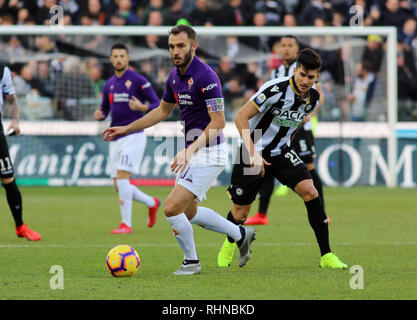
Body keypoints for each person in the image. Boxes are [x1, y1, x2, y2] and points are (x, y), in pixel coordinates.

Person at [102, 25, 255, 275]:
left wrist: (190, 150)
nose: (175, 50)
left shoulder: (207, 76)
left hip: (209, 152)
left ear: (193, 46)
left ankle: (191, 263)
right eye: (172, 46)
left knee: (171, 207)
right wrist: (126, 128)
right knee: (189, 212)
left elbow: (218, 122)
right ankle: (239, 233)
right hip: (192, 151)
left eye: (181, 45)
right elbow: (162, 111)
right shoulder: (174, 77)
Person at [217, 48, 347, 269]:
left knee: (311, 191)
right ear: (295, 70)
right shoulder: (274, 89)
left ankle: (326, 255)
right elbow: (240, 117)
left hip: (281, 152)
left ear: (317, 77)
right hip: (252, 150)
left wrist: (286, 145)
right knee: (241, 212)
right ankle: (230, 243)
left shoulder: (313, 99)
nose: (306, 81)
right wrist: (253, 153)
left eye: (311, 77)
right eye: (303, 74)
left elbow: (293, 126)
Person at [244, 35, 326, 226]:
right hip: (277, 127)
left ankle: (322, 211)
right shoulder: (277, 71)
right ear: (279, 49)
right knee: (268, 168)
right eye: (284, 46)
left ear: (297, 49)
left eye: (290, 45)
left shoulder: (308, 69)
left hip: (300, 127)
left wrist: (308, 115)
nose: (286, 49)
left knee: (310, 168)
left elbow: (318, 96)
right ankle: (262, 214)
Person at [94, 43, 161, 234]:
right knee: (119, 185)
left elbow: (157, 104)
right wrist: (99, 114)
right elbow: (105, 110)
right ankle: (152, 202)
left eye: (122, 56)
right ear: (111, 59)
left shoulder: (138, 80)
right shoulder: (109, 84)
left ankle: (126, 224)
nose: (118, 59)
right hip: (115, 137)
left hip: (133, 135)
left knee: (123, 178)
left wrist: (142, 108)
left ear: (128, 58)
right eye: (115, 56)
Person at [0, 63, 41, 241]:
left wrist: (15, 120)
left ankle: (20, 226)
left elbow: (12, 99)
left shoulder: (2, 70)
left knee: (8, 178)